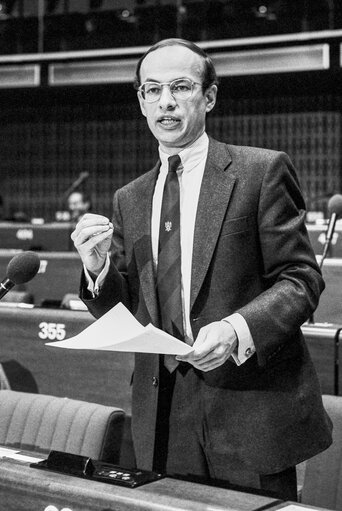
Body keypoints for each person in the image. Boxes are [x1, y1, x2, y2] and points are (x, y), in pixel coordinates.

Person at [71, 38, 332, 500]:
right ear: (141, 101)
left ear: (209, 97)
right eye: (152, 90)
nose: (165, 101)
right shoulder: (129, 198)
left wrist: (236, 329)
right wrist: (98, 274)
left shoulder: (260, 171)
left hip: (249, 407)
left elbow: (301, 280)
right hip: (162, 411)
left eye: (180, 86)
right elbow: (129, 312)